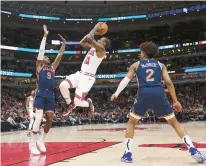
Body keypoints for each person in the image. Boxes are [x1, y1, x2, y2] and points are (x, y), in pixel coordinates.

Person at [111, 41, 205, 163]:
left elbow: (125, 80)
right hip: (159, 93)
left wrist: (116, 93)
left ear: (144, 52)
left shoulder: (136, 65)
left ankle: (127, 154)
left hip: (144, 93)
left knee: (131, 123)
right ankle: (192, 149)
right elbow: (169, 83)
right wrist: (175, 101)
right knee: (175, 123)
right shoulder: (161, 65)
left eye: (140, 51)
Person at [59, 22, 110, 118]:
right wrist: (93, 33)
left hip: (88, 78)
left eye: (101, 40)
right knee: (62, 85)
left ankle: (89, 104)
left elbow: (90, 38)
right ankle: (70, 104)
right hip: (80, 74)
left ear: (104, 45)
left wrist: (95, 29)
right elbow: (82, 42)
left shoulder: (102, 51)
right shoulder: (92, 48)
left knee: (78, 102)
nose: (99, 40)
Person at [29, 25, 66, 155]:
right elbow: (41, 51)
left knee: (50, 118)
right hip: (41, 92)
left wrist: (64, 45)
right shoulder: (39, 66)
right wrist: (45, 36)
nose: (46, 58)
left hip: (50, 94)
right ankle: (32, 143)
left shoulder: (52, 67)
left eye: (47, 58)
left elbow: (59, 56)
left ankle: (41, 141)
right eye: (44, 57)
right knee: (38, 118)